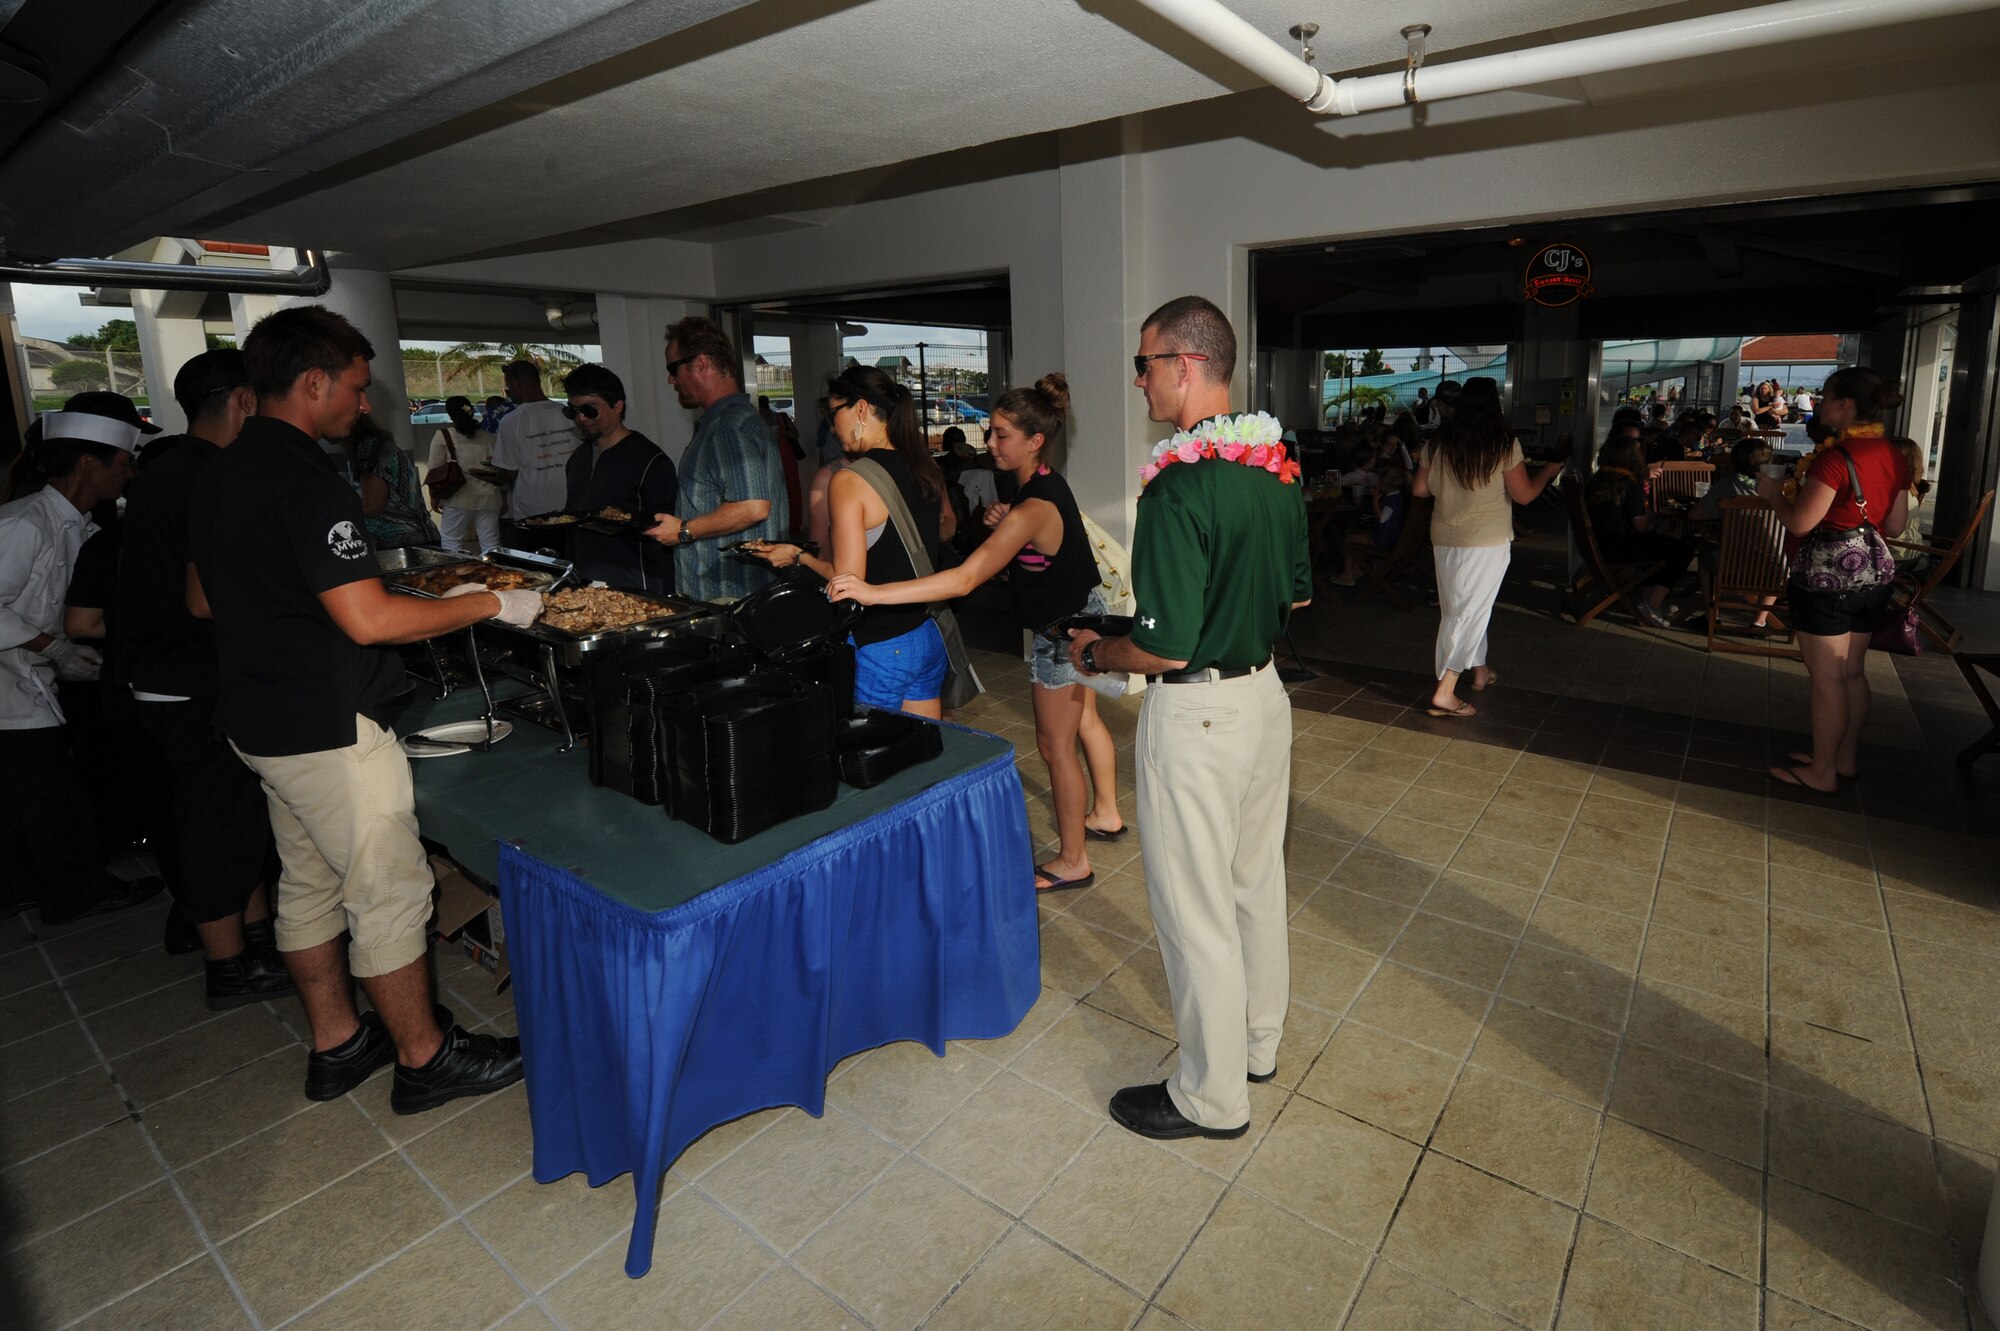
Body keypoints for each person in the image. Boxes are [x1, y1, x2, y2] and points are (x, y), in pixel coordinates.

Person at [187, 304, 539, 1112]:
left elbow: (202, 600)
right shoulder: (311, 483)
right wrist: (491, 603)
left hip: (259, 719)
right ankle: (425, 1057)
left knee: (310, 883)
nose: (362, 402)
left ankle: (338, 1042)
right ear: (312, 383)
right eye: (354, 386)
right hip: (328, 724)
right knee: (388, 891)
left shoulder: (218, 474)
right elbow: (370, 620)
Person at [1064, 295, 1309, 1143]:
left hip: (1199, 714)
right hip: (1263, 697)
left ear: (1188, 364)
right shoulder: (1275, 467)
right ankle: (1257, 1045)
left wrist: (1096, 652)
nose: (1139, 380)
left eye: (1145, 363)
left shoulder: (1177, 488)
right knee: (1255, 884)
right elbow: (1297, 595)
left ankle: (1210, 1096)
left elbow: (1163, 650)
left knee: (1195, 908)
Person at [829, 373, 1122, 891]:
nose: (990, 443)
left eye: (1002, 435)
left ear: (1035, 440)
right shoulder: (1042, 484)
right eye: (990, 431)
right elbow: (1045, 537)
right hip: (1079, 619)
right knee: (1079, 728)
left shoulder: (1032, 506)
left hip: (1063, 635)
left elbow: (965, 578)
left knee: (1055, 748)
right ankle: (1104, 814)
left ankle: (1074, 860)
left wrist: (873, 592)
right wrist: (1011, 521)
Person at [111, 348, 294, 1008]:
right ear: (244, 401)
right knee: (216, 828)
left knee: (236, 821)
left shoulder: (165, 471)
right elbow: (208, 599)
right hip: (193, 678)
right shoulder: (212, 476)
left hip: (165, 673)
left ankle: (255, 943)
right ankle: (228, 968)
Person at [0, 411, 163, 924]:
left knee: (38, 793)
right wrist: (55, 648)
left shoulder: (84, 526)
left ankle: (35, 887)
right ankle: (72, 892)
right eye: (123, 463)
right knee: (46, 794)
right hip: (9, 683)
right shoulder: (24, 523)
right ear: (89, 464)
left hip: (32, 676)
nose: (129, 474)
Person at [745, 365, 950, 717]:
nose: (830, 425)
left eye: (833, 412)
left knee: (872, 749)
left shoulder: (849, 480)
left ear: (861, 409)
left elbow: (848, 580)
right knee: (922, 745)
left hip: (880, 644)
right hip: (925, 634)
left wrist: (797, 557)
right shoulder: (923, 466)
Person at [1759, 366, 1911, 794]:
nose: (1819, 404)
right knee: (1852, 674)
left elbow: (1800, 523)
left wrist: (1772, 496)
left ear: (1845, 405)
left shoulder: (1833, 458)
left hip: (1826, 579)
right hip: (1873, 576)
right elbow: (1895, 525)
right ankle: (1843, 760)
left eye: (1824, 397)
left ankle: (1822, 771)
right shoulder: (1894, 455)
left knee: (1826, 678)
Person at [1412, 376, 1563, 718]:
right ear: (1495, 405)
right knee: (1470, 612)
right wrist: (1548, 472)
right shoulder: (1503, 444)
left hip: (1446, 539)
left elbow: (1419, 489)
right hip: (1486, 542)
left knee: (1461, 609)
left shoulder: (1439, 442)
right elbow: (1524, 495)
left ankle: (1479, 671)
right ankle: (1446, 690)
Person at [644, 316, 789, 600]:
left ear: (701, 363)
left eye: (673, 369)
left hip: (730, 598)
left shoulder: (728, 426)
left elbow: (753, 507)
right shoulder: (733, 420)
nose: (671, 380)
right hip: (736, 596)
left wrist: (683, 531)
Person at [559, 363, 677, 592]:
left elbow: (667, 530)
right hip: (583, 582)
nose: (581, 418)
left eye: (589, 410)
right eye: (572, 411)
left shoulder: (651, 461)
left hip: (635, 586)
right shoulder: (578, 458)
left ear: (617, 406)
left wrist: (623, 527)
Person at [1585, 436, 1694, 627]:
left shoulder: (1598, 480)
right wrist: (1656, 518)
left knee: (1662, 543)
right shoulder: (1629, 484)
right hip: (1621, 548)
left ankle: (1645, 595)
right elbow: (1641, 526)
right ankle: (1653, 603)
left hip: (1600, 546)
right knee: (1682, 550)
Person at [489, 360, 580, 528]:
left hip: (534, 512)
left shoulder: (511, 420)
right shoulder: (568, 413)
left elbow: (510, 472)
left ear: (515, 382)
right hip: (573, 503)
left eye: (508, 386)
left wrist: (495, 478)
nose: (508, 392)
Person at [344, 413, 438, 549]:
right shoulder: (380, 446)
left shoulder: (368, 450)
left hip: (401, 541)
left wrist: (338, 514)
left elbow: (372, 506)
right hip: (416, 536)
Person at [425, 396, 505, 554]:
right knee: (491, 545)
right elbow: (498, 469)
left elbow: (435, 469)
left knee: (451, 542)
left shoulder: (443, 436)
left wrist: (434, 497)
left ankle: (457, 570)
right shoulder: (490, 438)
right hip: (490, 498)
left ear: (449, 414)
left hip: (457, 497)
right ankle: (494, 569)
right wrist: (504, 496)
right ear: (471, 411)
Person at [1333, 459, 1411, 584]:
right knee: (1356, 536)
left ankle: (1347, 574)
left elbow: (1382, 519)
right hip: (1388, 537)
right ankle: (1356, 568)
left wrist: (1375, 501)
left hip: (1381, 540)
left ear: (1386, 484)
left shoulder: (1392, 501)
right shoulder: (1397, 497)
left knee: (1348, 539)